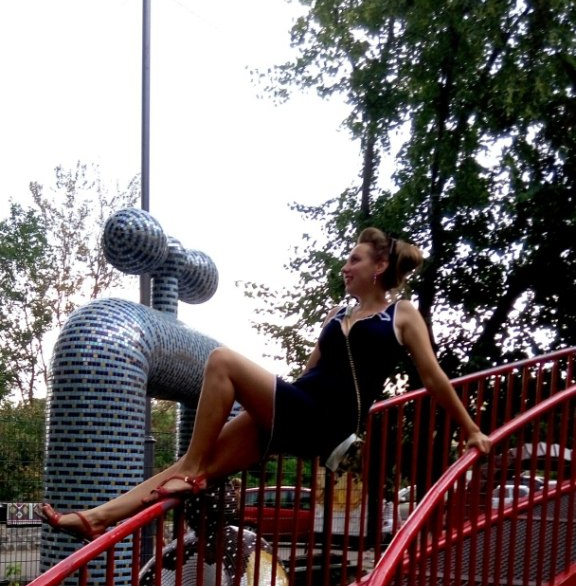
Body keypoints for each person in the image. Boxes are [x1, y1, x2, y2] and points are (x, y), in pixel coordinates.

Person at [40, 227, 491, 542]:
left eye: (354, 259)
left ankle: (192, 470)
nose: (345, 266)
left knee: (221, 362)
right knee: (188, 468)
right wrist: (266, 408)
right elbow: (310, 372)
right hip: (300, 409)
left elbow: (433, 377)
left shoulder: (401, 314)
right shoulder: (337, 315)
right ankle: (98, 518)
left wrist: (470, 429)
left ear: (381, 265)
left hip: (328, 421)